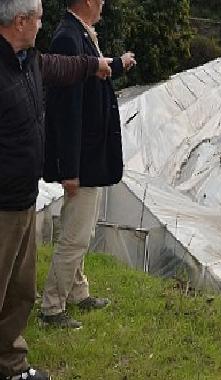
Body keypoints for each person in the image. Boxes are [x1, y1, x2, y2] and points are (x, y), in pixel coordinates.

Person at [0, 0, 111, 377]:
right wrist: (70, 167)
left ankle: (13, 364)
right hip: (3, 200)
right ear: (19, 22)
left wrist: (93, 65)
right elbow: (68, 111)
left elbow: (60, 67)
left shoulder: (28, 59)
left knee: (19, 290)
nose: (42, 25)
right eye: (37, 18)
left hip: (22, 197)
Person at [39, 0, 136, 329]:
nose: (104, 4)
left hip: (88, 154)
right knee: (76, 234)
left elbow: (98, 73)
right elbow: (67, 110)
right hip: (80, 158)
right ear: (89, 2)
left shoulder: (80, 33)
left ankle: (78, 290)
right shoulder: (68, 38)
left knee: (82, 227)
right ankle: (52, 305)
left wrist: (119, 66)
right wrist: (70, 169)